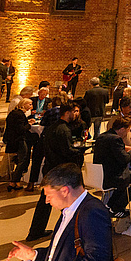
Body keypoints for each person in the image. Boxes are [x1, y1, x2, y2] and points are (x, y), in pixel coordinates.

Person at [7, 163, 113, 261]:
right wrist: (34, 255)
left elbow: (98, 258)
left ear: (64, 190)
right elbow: (64, 250)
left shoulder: (92, 212)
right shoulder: (70, 209)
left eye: (49, 195)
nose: (47, 201)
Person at [27, 103, 85, 241]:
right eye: (74, 112)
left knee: (45, 203)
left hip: (50, 169)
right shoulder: (63, 130)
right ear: (67, 113)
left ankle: (35, 231)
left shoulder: (52, 128)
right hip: (60, 172)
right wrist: (81, 150)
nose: (76, 114)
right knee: (68, 203)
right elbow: (67, 152)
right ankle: (71, 232)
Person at [94, 116, 131, 217]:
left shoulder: (102, 136)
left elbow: (116, 152)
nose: (127, 133)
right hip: (112, 176)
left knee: (130, 176)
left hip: (99, 175)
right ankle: (116, 207)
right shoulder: (116, 139)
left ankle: (111, 206)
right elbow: (124, 159)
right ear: (122, 129)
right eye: (128, 130)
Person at [4, 98, 35, 190]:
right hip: (18, 140)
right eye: (29, 104)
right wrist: (29, 125)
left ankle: (15, 181)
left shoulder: (14, 113)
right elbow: (20, 129)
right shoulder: (19, 115)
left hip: (12, 139)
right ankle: (14, 181)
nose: (31, 106)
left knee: (22, 159)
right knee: (23, 160)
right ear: (24, 104)